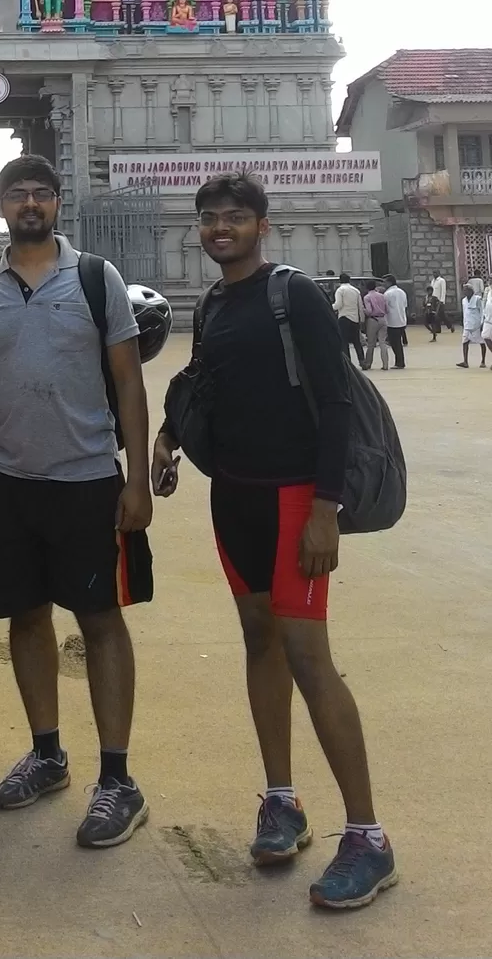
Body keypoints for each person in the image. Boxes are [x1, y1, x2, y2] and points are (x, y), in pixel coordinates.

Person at [152, 173, 396, 911]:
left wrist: (327, 506)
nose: (219, 228)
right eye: (209, 219)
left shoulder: (298, 298)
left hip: (295, 498)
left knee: (309, 658)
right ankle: (282, 802)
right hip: (235, 497)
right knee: (259, 641)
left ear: (262, 225)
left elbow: (336, 406)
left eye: (234, 217)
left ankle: (369, 839)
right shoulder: (218, 302)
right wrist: (168, 432)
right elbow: (205, 380)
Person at [0, 155, 153, 850]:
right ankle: (47, 754)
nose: (29, 204)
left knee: (99, 621)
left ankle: (117, 779)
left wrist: (137, 479)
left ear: (57, 203)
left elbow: (128, 382)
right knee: (27, 618)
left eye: (41, 194)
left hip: (87, 478)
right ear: (1, 204)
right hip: (4, 481)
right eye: (17, 194)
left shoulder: (96, 278)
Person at [332, 275, 365, 367]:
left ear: (340, 281)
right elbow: (360, 307)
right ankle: (362, 361)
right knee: (357, 341)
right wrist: (361, 319)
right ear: (349, 280)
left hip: (344, 318)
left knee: (344, 342)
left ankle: (348, 363)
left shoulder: (340, 290)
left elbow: (338, 305)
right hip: (354, 319)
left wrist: (330, 307)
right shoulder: (356, 290)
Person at [362, 282, 389, 369]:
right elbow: (387, 309)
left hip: (373, 320)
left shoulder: (367, 297)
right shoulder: (382, 296)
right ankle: (385, 364)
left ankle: (368, 363)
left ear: (367, 288)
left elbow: (369, 311)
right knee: (382, 342)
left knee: (371, 343)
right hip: (383, 319)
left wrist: (363, 309)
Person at [383, 276, 408, 369]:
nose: (383, 284)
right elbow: (405, 306)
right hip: (402, 320)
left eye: (385, 282)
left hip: (392, 321)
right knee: (398, 342)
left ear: (389, 283)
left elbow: (385, 308)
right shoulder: (402, 292)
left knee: (395, 343)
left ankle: (400, 362)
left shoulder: (387, 294)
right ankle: (400, 361)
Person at [458, 285, 485, 368]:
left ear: (471, 291)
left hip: (476, 325)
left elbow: (482, 311)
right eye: (464, 290)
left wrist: (482, 323)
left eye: (466, 290)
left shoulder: (477, 299)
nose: (465, 292)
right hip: (467, 325)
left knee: (482, 342)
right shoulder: (464, 300)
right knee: (465, 342)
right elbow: (464, 313)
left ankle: (483, 361)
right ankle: (465, 361)